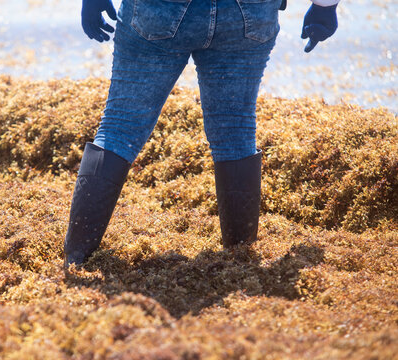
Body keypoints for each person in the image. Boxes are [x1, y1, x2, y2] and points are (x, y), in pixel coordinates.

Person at [64, 0, 340, 267]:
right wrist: (324, 7)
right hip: (249, 13)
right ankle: (239, 262)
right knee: (236, 130)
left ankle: (76, 259)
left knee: (120, 127)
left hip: (159, 9)